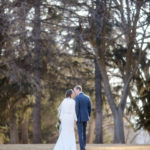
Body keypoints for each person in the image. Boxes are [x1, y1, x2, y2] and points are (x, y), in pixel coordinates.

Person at [74, 85, 91, 150]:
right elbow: (89, 108)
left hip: (79, 118)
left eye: (75, 90)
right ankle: (84, 146)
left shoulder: (77, 98)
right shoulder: (87, 97)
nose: (74, 92)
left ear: (78, 90)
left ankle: (82, 148)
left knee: (80, 133)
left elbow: (76, 109)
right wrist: (88, 116)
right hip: (85, 118)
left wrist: (75, 118)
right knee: (84, 133)